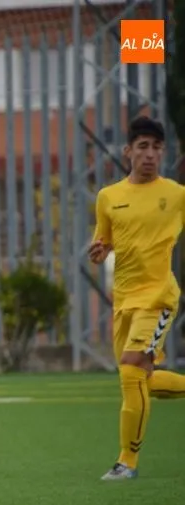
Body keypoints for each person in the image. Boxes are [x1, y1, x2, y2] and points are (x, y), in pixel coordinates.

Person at [88, 116, 185, 481]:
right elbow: (105, 241)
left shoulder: (176, 195)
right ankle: (126, 461)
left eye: (156, 148)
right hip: (124, 300)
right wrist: (99, 251)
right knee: (140, 379)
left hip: (158, 296)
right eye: (142, 147)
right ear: (128, 151)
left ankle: (127, 461)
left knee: (131, 368)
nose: (149, 154)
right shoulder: (108, 197)